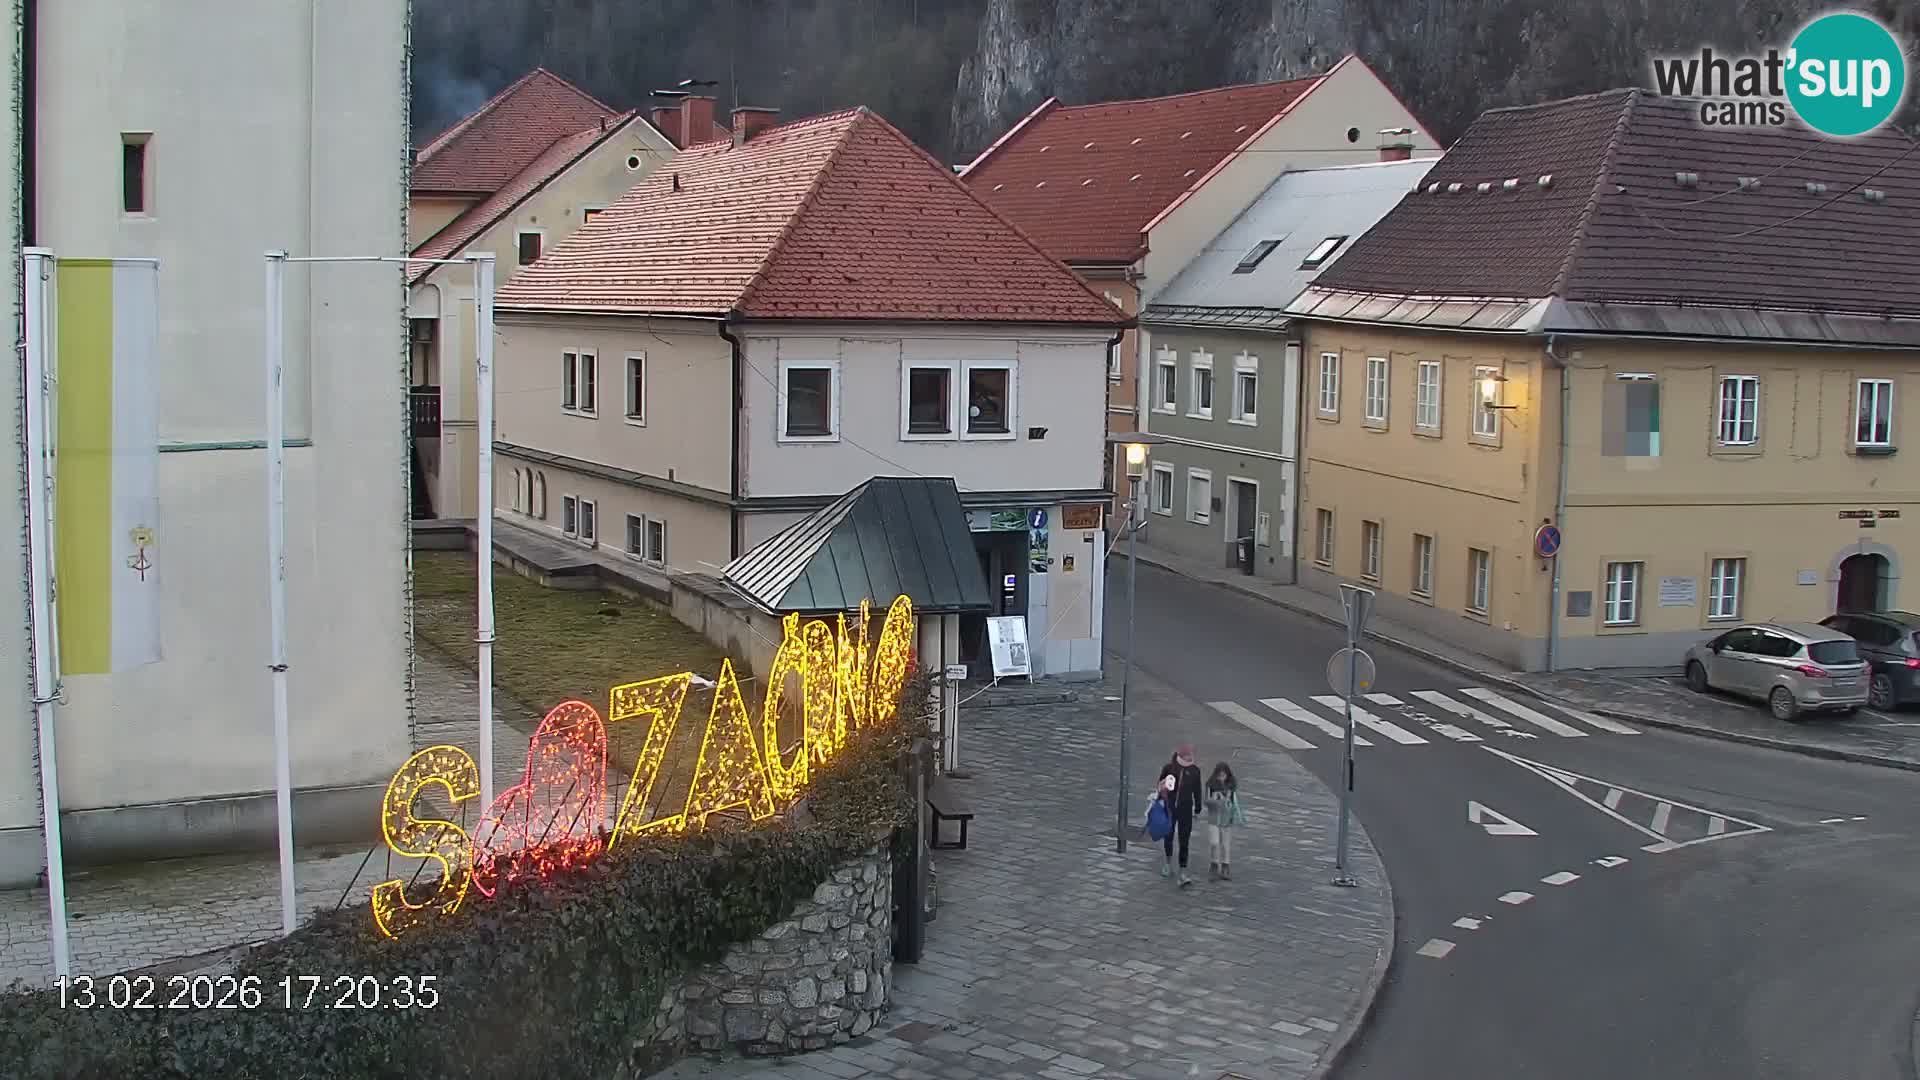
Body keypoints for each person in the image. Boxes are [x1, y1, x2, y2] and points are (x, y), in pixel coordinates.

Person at [1158, 744, 1203, 887]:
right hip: (1170, 807)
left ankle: (1183, 870)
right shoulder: (1169, 768)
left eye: (1191, 755)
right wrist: (1162, 793)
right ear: (1181, 756)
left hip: (1186, 809)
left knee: (1184, 839)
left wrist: (1197, 808)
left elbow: (1197, 790)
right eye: (1188, 755)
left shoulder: (1195, 771)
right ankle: (1168, 863)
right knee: (1168, 835)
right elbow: (1160, 785)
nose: (1191, 757)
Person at [1205, 762, 1240, 880]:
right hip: (1213, 818)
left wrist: (1226, 798)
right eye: (1219, 775)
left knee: (1225, 844)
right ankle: (1214, 864)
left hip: (1226, 819)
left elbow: (1233, 804)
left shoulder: (1231, 786)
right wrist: (1214, 799)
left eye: (1224, 775)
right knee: (1214, 843)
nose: (1221, 778)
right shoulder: (1210, 785)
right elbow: (1206, 802)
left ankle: (1225, 866)